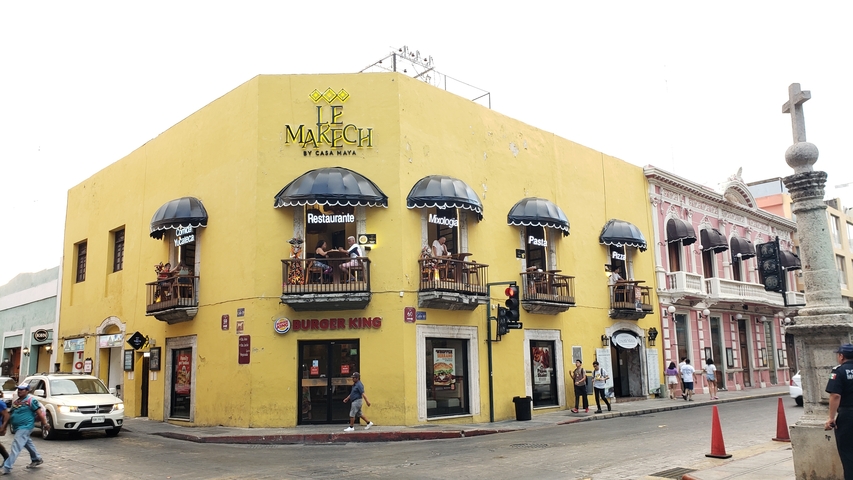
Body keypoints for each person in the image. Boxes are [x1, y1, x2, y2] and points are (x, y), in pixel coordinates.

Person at [1, 384, 47, 475]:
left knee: (16, 446)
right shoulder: (16, 401)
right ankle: (36, 458)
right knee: (27, 442)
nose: (19, 391)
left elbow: (39, 413)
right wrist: (4, 426)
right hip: (18, 427)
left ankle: (7, 467)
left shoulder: (31, 400)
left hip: (25, 426)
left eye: (22, 390)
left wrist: (45, 424)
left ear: (27, 391)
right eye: (19, 389)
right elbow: (10, 414)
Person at [825, 343, 853, 479]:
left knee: (848, 454)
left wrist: (831, 418)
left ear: (841, 356)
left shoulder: (838, 371)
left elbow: (835, 395)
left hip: (848, 416)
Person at [0, 398, 9, 462]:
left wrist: (3, 427)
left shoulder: (0, 403)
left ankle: (6, 457)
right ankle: (6, 457)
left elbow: (6, 415)